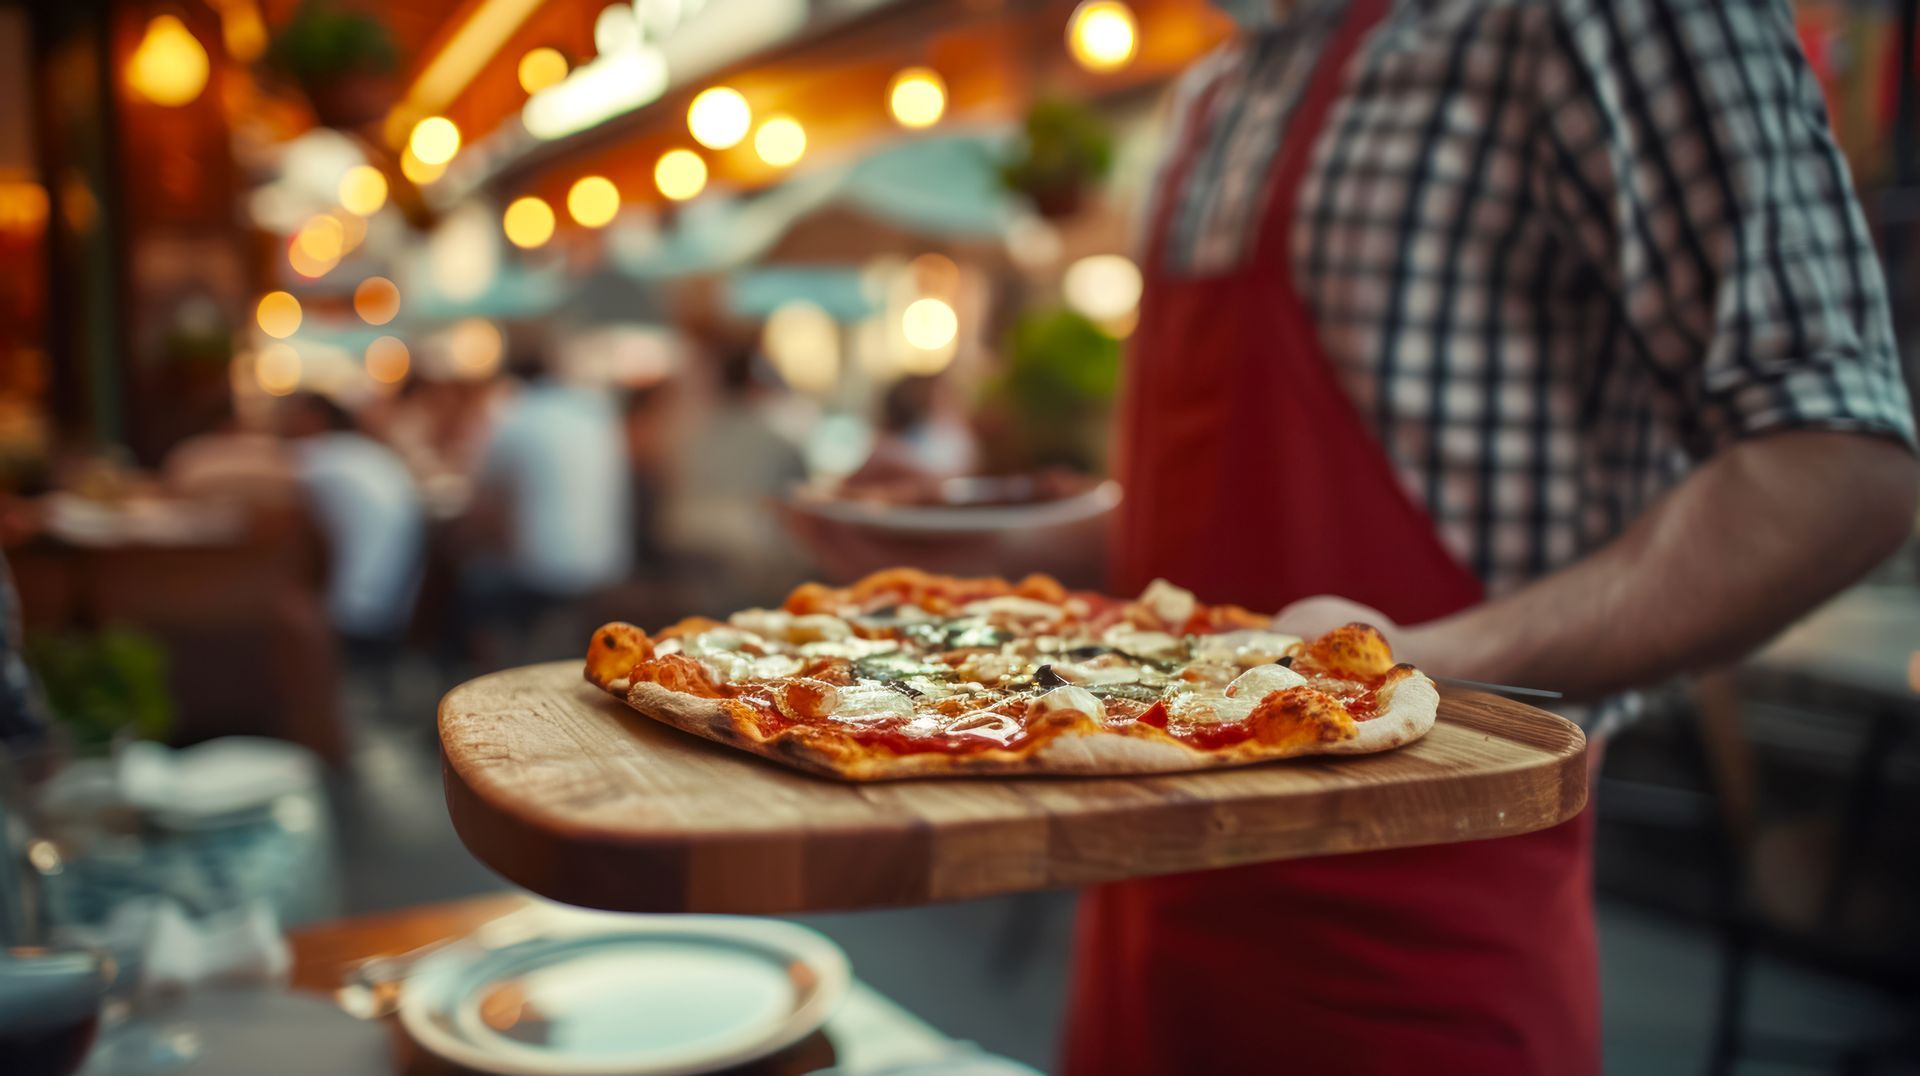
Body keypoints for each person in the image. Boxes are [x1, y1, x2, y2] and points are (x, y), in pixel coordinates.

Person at [1064, 2, 1920, 1074]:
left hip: (1406, 939)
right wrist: (1034, 545)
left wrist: (1409, 665)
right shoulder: (1224, 75)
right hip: (1142, 921)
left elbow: (1840, 467)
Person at [469, 344, 632, 629]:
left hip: (544, 574)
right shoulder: (596, 413)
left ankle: (479, 665)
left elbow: (486, 497)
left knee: (473, 575)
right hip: (608, 566)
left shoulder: (517, 417)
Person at [279, 393, 425, 647]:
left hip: (358, 612)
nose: (279, 425)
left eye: (286, 416)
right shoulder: (365, 453)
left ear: (314, 418)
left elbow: (257, 467)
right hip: (395, 606)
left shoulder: (329, 454)